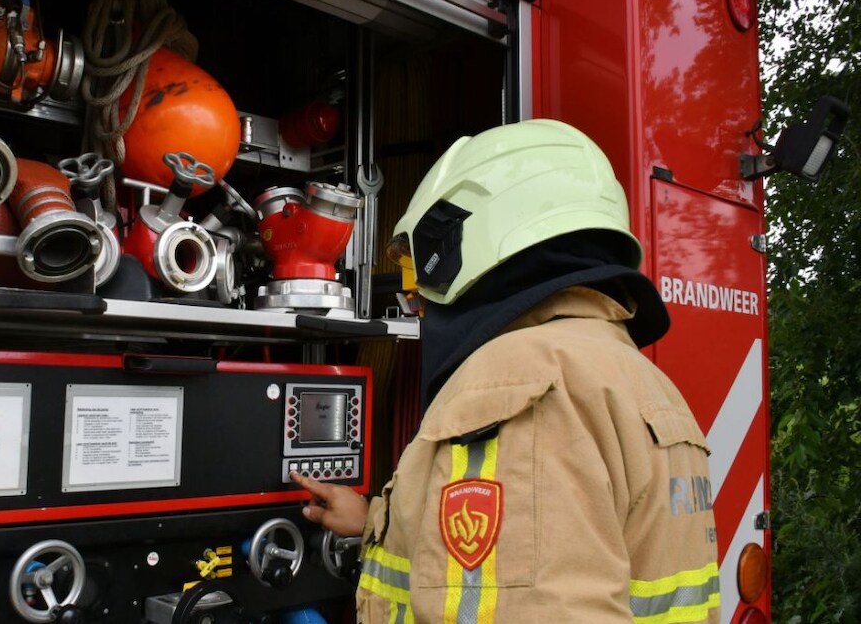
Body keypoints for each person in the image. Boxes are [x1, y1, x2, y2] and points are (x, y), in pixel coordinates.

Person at [291, 119, 719, 623]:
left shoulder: (517, 386)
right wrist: (374, 526)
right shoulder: (632, 376)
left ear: (463, 238)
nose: (416, 305)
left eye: (417, 281)